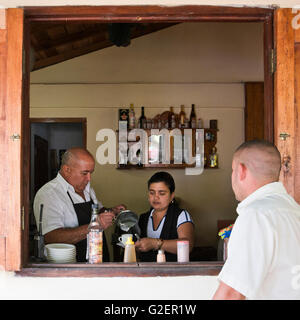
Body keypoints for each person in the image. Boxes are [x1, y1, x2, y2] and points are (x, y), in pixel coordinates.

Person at [213, 139, 300, 300]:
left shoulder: (256, 216)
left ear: (241, 170)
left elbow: (231, 294)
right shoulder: (294, 210)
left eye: (232, 171)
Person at [33, 147, 125, 262]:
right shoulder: (49, 194)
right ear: (67, 170)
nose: (89, 178)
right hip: (69, 267)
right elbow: (51, 237)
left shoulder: (87, 189)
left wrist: (111, 211)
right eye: (84, 173)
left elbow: (97, 211)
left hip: (96, 260)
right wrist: (93, 226)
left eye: (91, 173)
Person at [135, 171, 194, 262]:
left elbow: (188, 245)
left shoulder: (181, 215)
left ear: (172, 196)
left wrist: (155, 243)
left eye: (161, 193)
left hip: (173, 273)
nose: (156, 197)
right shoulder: (143, 218)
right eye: (152, 193)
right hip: (147, 273)